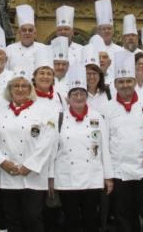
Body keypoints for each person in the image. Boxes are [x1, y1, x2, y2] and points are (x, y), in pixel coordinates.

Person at [0, 67, 60, 232]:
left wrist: (29, 166)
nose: (20, 89)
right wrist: (2, 162)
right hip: (8, 175)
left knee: (32, 218)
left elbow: (48, 141)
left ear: (31, 89)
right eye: (16, 86)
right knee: (12, 219)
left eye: (24, 86)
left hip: (33, 175)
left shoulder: (44, 110)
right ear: (9, 90)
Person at [104, 50, 143, 232]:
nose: (125, 85)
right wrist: (108, 175)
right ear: (115, 84)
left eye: (129, 81)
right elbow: (105, 145)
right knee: (125, 219)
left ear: (134, 82)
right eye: (121, 82)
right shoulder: (107, 109)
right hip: (120, 172)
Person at [51, 64, 113, 232]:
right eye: (74, 94)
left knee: (91, 219)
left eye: (82, 94)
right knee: (70, 221)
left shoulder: (97, 117)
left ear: (86, 96)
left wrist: (108, 177)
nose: (78, 97)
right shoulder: (59, 118)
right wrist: (51, 177)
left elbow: (104, 149)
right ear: (68, 97)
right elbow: (53, 152)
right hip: (66, 178)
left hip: (92, 177)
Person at [6, 4, 47, 70]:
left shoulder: (43, 49)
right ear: (19, 33)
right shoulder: (9, 50)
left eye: (30, 30)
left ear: (35, 33)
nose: (27, 33)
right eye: (24, 30)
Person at [94, 0, 123, 79]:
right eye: (103, 29)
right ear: (98, 31)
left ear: (113, 30)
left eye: (109, 28)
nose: (107, 31)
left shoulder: (120, 51)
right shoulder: (92, 49)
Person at [32, 46, 63, 113]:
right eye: (42, 73)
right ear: (34, 76)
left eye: (49, 74)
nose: (45, 77)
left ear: (53, 77)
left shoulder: (59, 97)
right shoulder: (26, 96)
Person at [83, 46, 111, 113]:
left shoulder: (108, 92)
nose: (92, 77)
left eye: (94, 73)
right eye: (88, 74)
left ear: (100, 75)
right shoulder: (78, 94)